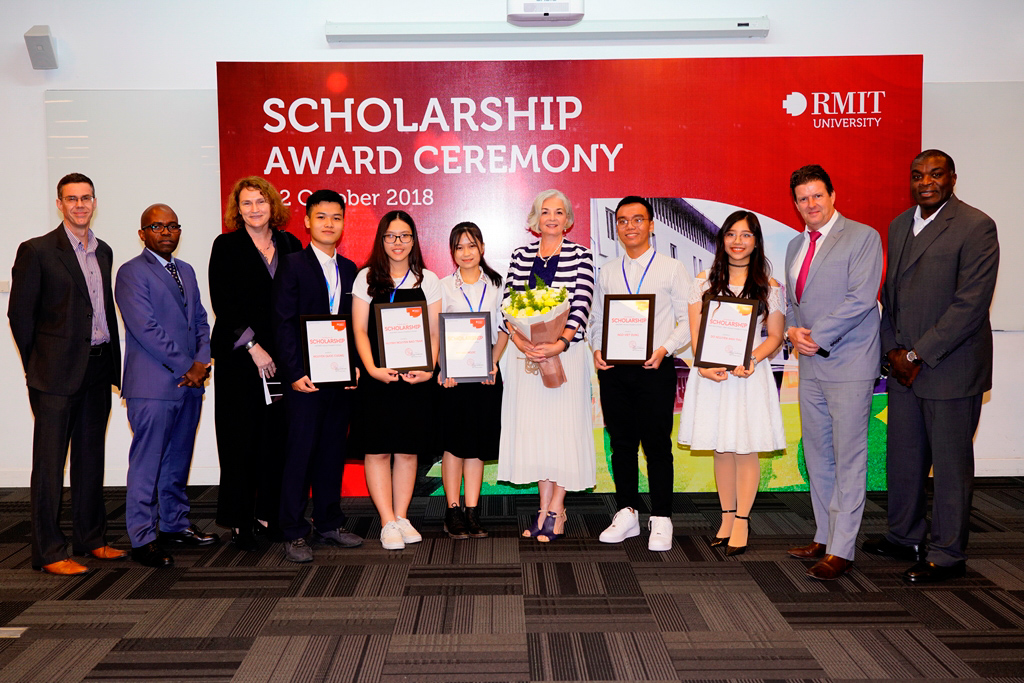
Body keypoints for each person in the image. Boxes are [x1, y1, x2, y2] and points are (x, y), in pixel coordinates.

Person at [865, 150, 999, 583]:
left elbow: (970, 306)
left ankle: (947, 553)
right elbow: (891, 297)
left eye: (936, 174)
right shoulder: (899, 224)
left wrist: (917, 354)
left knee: (950, 465)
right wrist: (892, 351)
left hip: (950, 368)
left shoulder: (976, 226)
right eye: (918, 175)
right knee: (904, 459)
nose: (926, 182)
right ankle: (904, 536)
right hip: (904, 369)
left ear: (953, 178)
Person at [8, 173, 127, 576]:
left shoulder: (103, 250)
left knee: (90, 459)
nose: (80, 205)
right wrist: (38, 366)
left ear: (95, 202)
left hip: (97, 368)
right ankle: (48, 551)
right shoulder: (37, 251)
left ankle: (91, 538)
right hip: (54, 375)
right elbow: (20, 315)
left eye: (86, 198)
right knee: (49, 465)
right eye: (71, 199)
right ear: (59, 204)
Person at [783, 165, 883, 580]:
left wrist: (816, 336)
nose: (811, 204)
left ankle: (842, 548)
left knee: (849, 457)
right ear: (796, 204)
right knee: (818, 454)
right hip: (810, 365)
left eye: (817, 195)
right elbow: (794, 303)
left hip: (850, 363)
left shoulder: (863, 237)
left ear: (832, 195)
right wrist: (792, 331)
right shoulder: (795, 245)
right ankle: (824, 536)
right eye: (803, 198)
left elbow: (861, 298)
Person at [676, 211, 786, 555]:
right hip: (712, 376)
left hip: (749, 375)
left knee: (745, 447)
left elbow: (776, 336)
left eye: (746, 235)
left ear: (756, 241)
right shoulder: (703, 282)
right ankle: (725, 516)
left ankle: (742, 520)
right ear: (722, 239)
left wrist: (753, 358)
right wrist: (703, 365)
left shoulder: (769, 286)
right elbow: (696, 335)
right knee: (721, 447)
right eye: (731, 234)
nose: (738, 241)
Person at [115, 204, 216, 568]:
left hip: (189, 384)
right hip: (153, 386)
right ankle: (143, 538)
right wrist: (188, 366)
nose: (166, 232)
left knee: (178, 460)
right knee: (148, 464)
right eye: (157, 226)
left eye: (172, 226)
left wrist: (201, 362)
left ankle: (174, 524)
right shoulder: (131, 272)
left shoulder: (185, 270)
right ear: (142, 233)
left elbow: (201, 321)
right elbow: (146, 329)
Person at [591, 196, 691, 552]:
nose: (629, 226)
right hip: (615, 371)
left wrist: (664, 348)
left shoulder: (672, 268)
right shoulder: (607, 271)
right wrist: (597, 348)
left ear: (651, 225)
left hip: (655, 369)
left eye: (637, 219)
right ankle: (627, 512)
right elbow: (596, 319)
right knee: (621, 445)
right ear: (616, 227)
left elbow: (687, 320)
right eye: (622, 220)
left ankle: (661, 517)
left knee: (657, 445)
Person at [209, 176, 302, 551]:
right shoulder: (226, 246)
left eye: (260, 201)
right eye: (246, 203)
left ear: (272, 205)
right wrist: (253, 346)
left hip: (282, 358)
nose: (254, 209)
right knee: (239, 439)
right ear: (238, 209)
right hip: (240, 358)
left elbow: (298, 299)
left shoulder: (290, 244)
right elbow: (223, 301)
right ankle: (240, 520)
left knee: (275, 438)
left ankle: (268, 515)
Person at [498, 189, 596, 542]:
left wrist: (559, 343)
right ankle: (543, 508)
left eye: (558, 212)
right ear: (535, 219)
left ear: (568, 219)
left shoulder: (581, 255)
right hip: (526, 357)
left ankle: (557, 508)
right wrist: (520, 340)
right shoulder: (520, 255)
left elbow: (582, 302)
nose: (551, 218)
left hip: (565, 355)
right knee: (538, 432)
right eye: (545, 211)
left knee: (563, 430)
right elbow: (507, 303)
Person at [272, 189, 363, 562]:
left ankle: (328, 523)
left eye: (336, 217)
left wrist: (354, 364)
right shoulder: (292, 264)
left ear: (343, 223)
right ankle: (293, 532)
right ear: (308, 221)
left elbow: (354, 325)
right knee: (300, 454)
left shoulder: (350, 269)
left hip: (339, 378)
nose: (329, 224)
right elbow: (282, 322)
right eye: (321, 217)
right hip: (304, 380)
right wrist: (294, 372)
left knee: (331, 452)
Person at [350, 210, 441, 550]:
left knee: (407, 450)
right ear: (381, 240)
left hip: (414, 379)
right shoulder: (366, 278)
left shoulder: (427, 280)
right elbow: (359, 329)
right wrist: (372, 368)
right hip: (378, 378)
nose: (397, 242)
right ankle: (387, 520)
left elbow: (434, 332)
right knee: (377, 450)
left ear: (414, 240)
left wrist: (429, 368)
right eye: (391, 236)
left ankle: (402, 516)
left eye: (404, 236)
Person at [437, 222, 509, 539]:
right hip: (453, 376)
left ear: (482, 247)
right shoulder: (442, 286)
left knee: (477, 446)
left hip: (486, 374)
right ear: (452, 252)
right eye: (459, 247)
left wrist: (492, 362)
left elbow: (506, 328)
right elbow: (436, 332)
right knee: (454, 445)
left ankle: (472, 511)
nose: (466, 252)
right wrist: (443, 369)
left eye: (471, 245)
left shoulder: (497, 284)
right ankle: (452, 512)